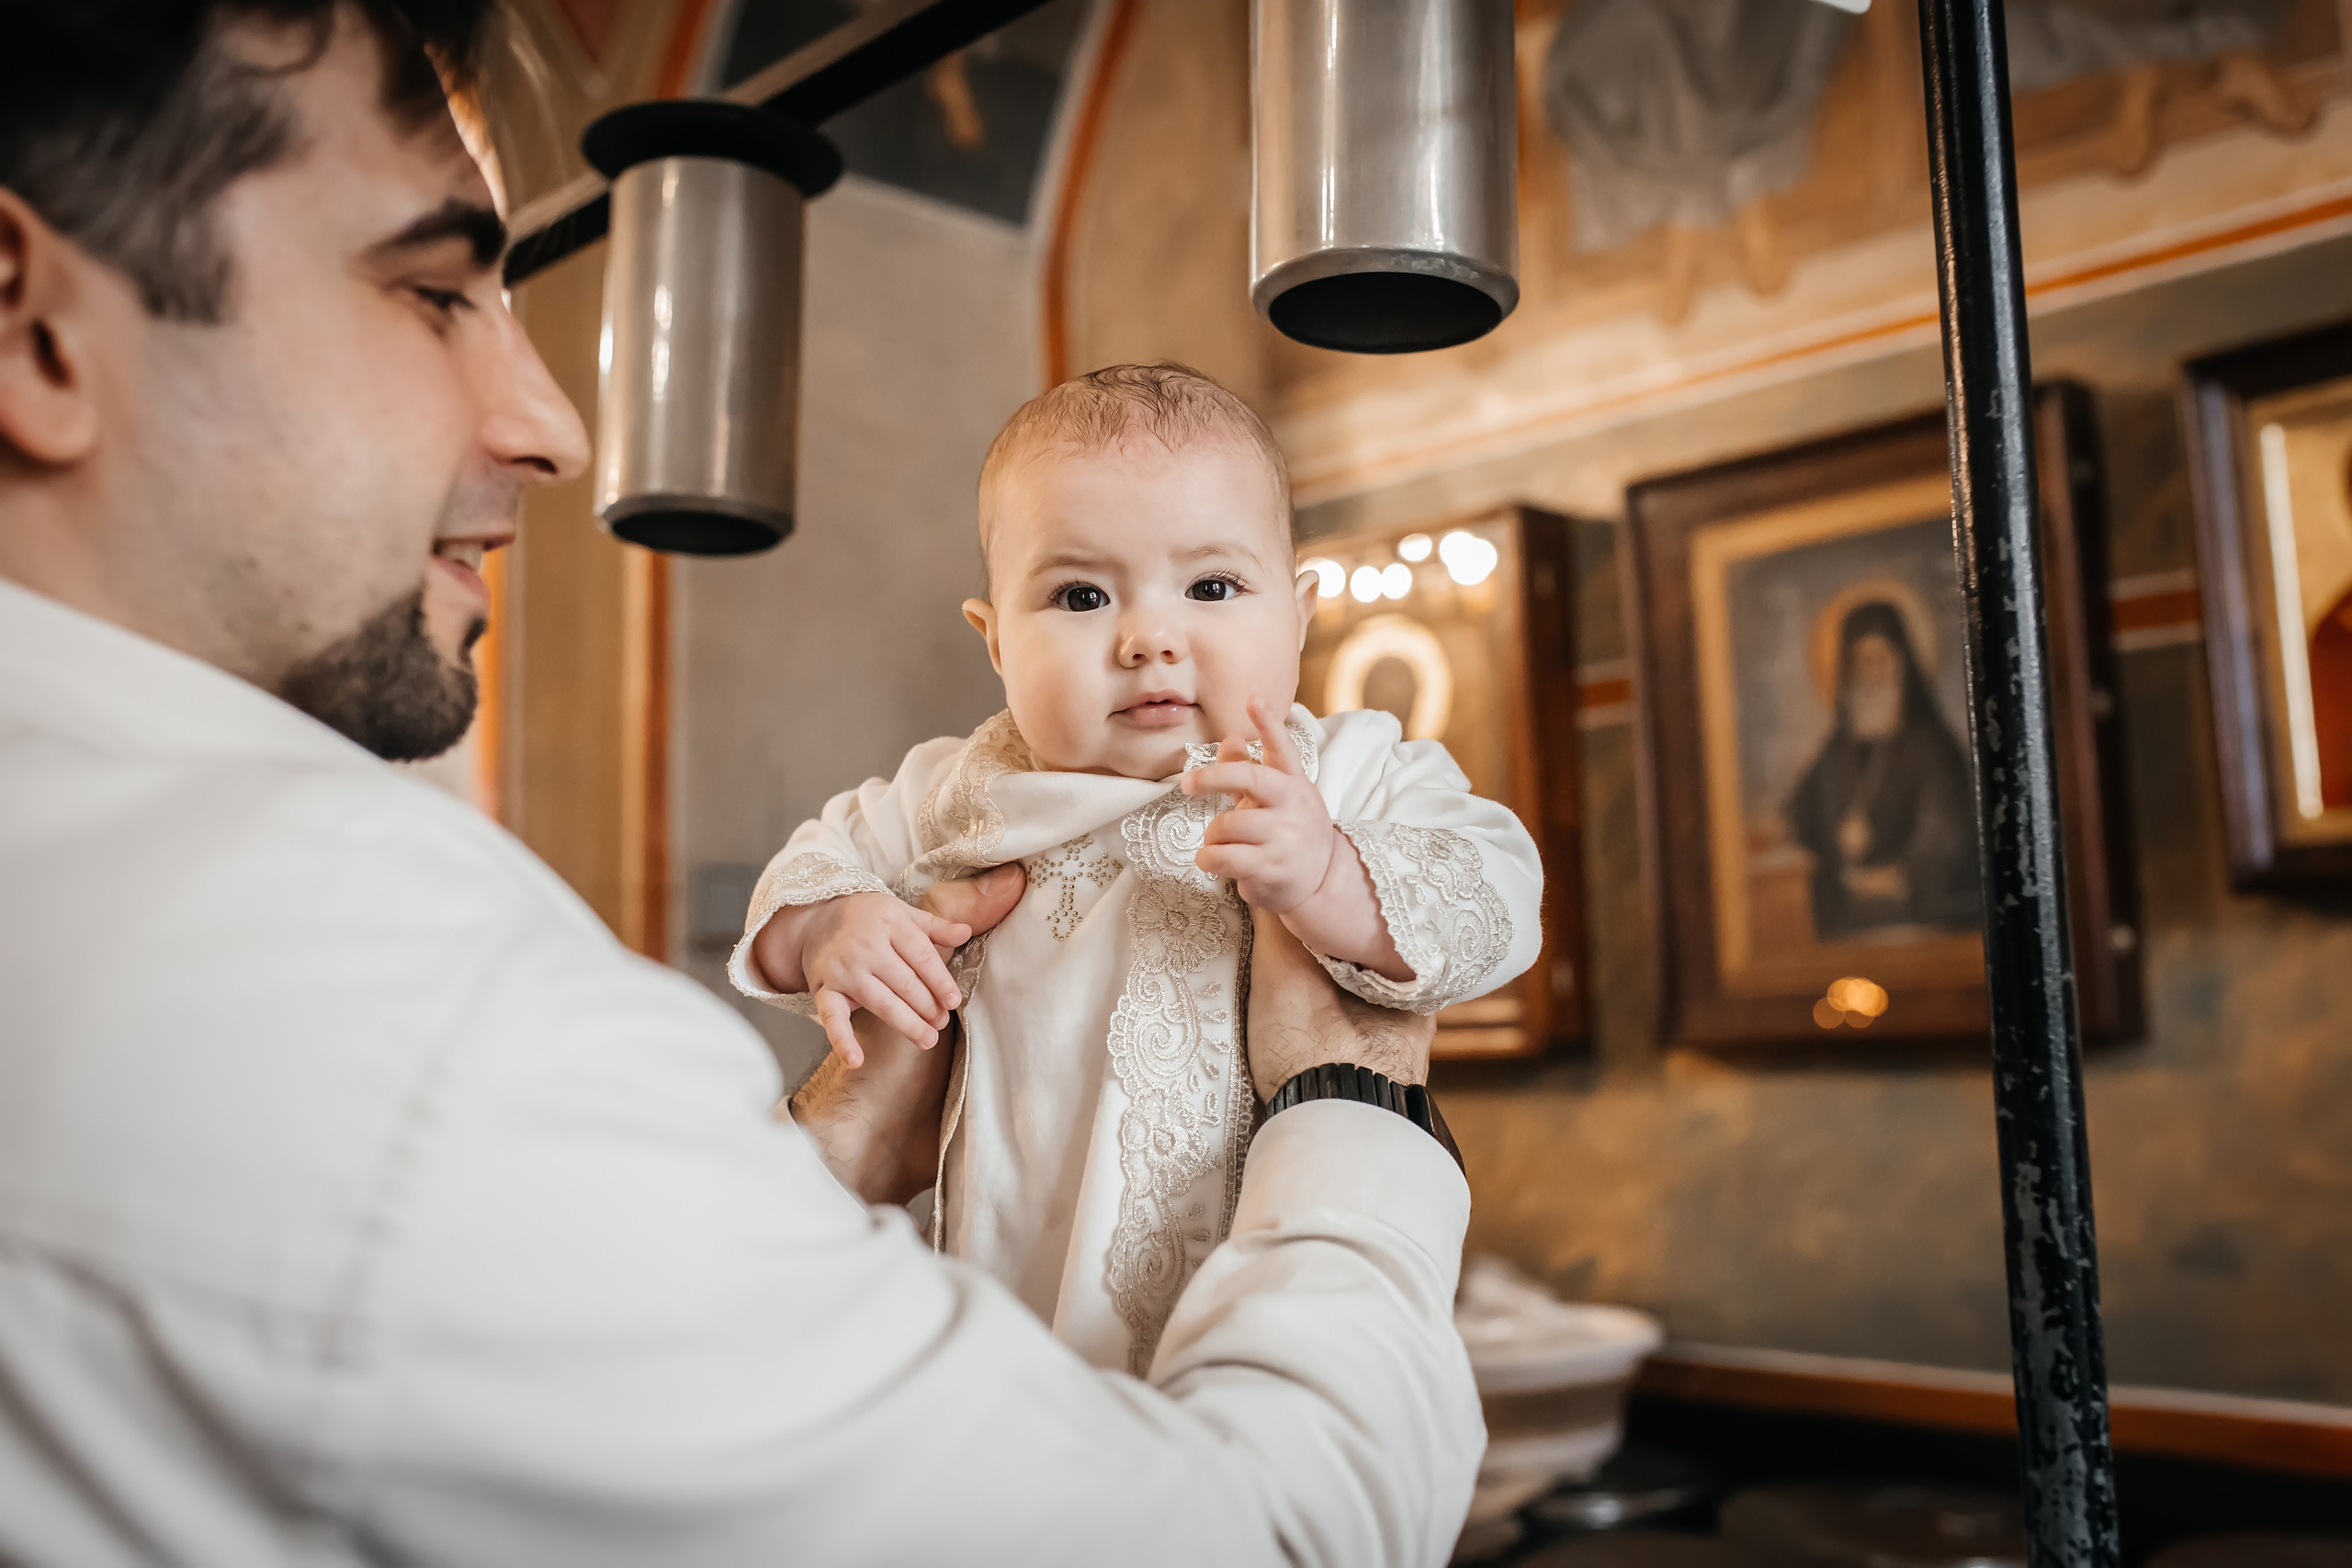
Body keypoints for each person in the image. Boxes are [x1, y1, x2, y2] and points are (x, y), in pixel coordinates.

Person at [0, 6, 1484, 1564]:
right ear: (34, 324)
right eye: (434, 291)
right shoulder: (408, 1015)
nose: (552, 424)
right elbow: (1254, 1544)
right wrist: (1352, 1098)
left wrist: (830, 1160)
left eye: (1212, 589)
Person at [732, 364, 1544, 1374]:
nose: (1148, 638)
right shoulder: (955, 790)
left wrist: (1332, 878)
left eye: (1210, 587)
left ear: (1296, 616)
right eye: (1079, 595)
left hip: (1253, 1279)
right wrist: (832, 926)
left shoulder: (1340, 770)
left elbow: (1498, 889)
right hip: (1002, 1286)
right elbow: (802, 871)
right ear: (994, 640)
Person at [1787, 600, 1981, 942]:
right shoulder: (1836, 753)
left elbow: (1949, 841)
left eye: (1880, 659)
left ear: (1902, 665)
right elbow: (1799, 818)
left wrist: (1899, 876)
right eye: (1860, 662)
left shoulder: (1931, 749)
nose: (1870, 673)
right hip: (1843, 924)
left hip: (1917, 923)